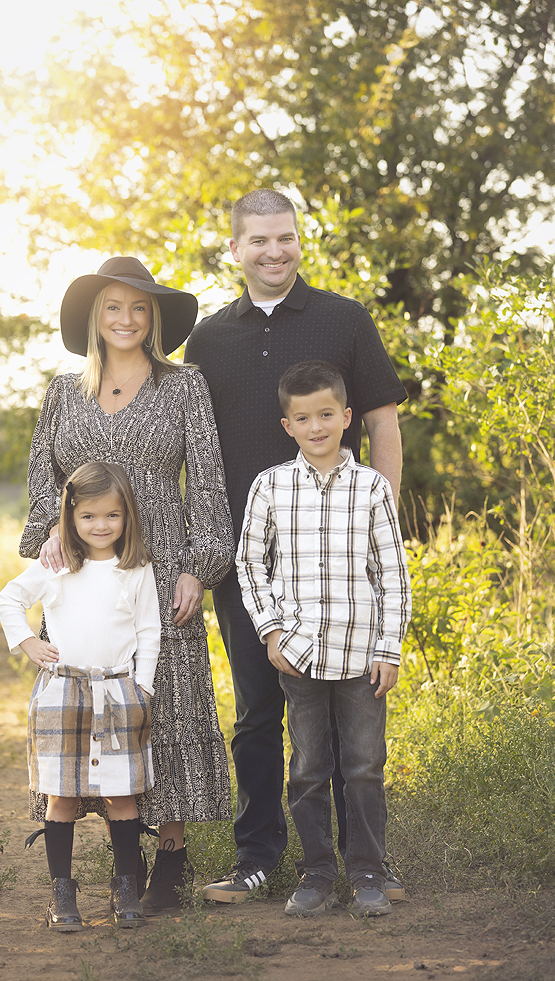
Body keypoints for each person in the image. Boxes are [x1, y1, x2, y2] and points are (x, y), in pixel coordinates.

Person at [184, 189, 408, 902]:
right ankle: (259, 859)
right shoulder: (209, 340)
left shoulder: (345, 319)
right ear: (234, 250)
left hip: (344, 559)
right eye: (258, 241)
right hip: (247, 560)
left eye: (284, 238)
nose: (273, 252)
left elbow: (383, 424)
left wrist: (383, 526)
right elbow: (191, 449)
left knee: (347, 714)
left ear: (299, 241)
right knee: (257, 710)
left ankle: (363, 863)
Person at [20, 256, 234, 914]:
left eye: (140, 308)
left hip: (162, 564)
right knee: (87, 705)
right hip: (82, 574)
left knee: (159, 702)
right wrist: (47, 536)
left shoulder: (184, 386)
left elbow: (206, 483)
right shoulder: (63, 391)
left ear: (155, 319)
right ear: (94, 317)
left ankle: (169, 856)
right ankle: (114, 866)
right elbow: (40, 481)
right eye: (113, 307)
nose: (126, 319)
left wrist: (202, 565)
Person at [237, 361, 411, 917]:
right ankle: (314, 874)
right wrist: (271, 631)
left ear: (347, 418)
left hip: (363, 655)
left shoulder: (371, 489)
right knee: (308, 767)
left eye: (327, 415)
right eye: (304, 418)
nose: (317, 427)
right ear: (288, 425)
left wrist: (389, 648)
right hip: (301, 655)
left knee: (363, 765)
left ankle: (367, 874)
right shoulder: (271, 486)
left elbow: (393, 574)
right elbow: (249, 563)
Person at [0, 462, 160, 929]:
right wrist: (28, 643)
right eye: (88, 517)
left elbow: (149, 630)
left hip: (118, 692)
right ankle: (62, 895)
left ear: (127, 515)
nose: (101, 526)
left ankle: (126, 887)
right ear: (70, 517)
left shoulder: (136, 568)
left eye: (112, 515)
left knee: (121, 795)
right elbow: (7, 599)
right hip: (62, 693)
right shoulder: (56, 565)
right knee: (62, 796)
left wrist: (142, 687)